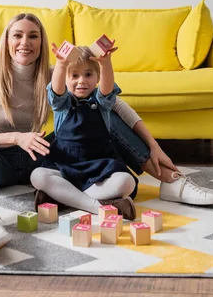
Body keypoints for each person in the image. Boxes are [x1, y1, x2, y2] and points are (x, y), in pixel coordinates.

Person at [0, 14, 213, 258]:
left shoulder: (54, 73)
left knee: (102, 113)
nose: (25, 42)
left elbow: (115, 105)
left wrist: (153, 146)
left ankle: (170, 179)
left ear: (42, 41)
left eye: (33, 36)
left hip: (38, 155)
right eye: (17, 35)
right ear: (7, 41)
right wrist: (17, 137)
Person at [31, 44, 138, 219]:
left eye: (88, 75)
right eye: (74, 75)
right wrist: (61, 64)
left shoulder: (101, 102)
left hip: (100, 165)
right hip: (65, 164)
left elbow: (107, 89)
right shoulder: (63, 104)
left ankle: (62, 197)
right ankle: (98, 206)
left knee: (127, 182)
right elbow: (56, 91)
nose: (82, 80)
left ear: (97, 78)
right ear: (66, 79)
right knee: (37, 176)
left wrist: (105, 63)